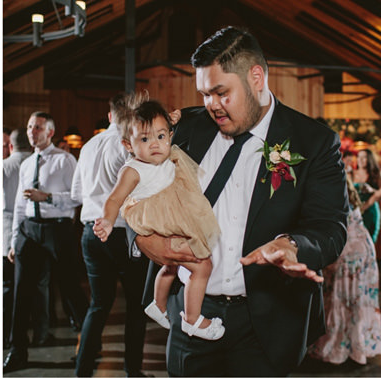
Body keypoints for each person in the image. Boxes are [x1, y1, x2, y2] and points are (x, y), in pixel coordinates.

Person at [132, 26, 347, 376]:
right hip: (192, 316)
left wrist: (292, 244)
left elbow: (330, 228)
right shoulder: (183, 129)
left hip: (264, 323)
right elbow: (135, 188)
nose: (211, 105)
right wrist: (142, 239)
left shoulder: (314, 142)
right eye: (204, 94)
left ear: (256, 77)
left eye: (221, 92)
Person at [95, 92, 224, 340]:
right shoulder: (133, 170)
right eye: (145, 139)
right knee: (202, 265)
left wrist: (174, 118)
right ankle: (193, 319)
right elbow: (114, 199)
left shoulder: (166, 152)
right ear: (128, 145)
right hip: (158, 216)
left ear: (170, 134)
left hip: (173, 212)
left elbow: (164, 124)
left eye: (161, 136)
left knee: (171, 264)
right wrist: (108, 221)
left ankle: (158, 304)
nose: (155, 144)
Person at [71, 93, 151, 377]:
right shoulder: (128, 145)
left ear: (109, 116)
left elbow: (75, 194)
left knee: (98, 304)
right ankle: (132, 371)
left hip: (90, 233)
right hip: (122, 232)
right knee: (135, 304)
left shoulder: (89, 145)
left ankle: (82, 370)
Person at [5, 111, 87, 371]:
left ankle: (89, 345)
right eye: (30, 127)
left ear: (50, 132)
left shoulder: (65, 161)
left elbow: (77, 197)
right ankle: (17, 352)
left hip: (57, 229)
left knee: (70, 288)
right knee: (22, 292)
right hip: (29, 230)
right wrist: (14, 240)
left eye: (38, 127)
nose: (32, 131)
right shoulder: (27, 164)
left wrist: (47, 197)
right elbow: (19, 204)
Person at [309, 177, 381, 365]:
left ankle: (342, 344)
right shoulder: (353, 198)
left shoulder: (333, 203)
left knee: (340, 299)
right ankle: (357, 344)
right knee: (358, 299)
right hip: (364, 252)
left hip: (348, 253)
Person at [2, 126, 32, 348]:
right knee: (36, 285)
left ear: (10, 146)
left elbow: (2, 205)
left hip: (7, 229)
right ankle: (39, 331)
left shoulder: (4, 166)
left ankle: (7, 335)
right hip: (32, 228)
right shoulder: (34, 162)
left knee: (8, 286)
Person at [351, 149, 381, 242]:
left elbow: (379, 193)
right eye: (359, 157)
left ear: (369, 159)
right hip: (353, 211)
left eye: (364, 157)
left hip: (371, 211)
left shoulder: (376, 174)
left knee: (370, 241)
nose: (360, 159)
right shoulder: (351, 173)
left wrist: (364, 207)